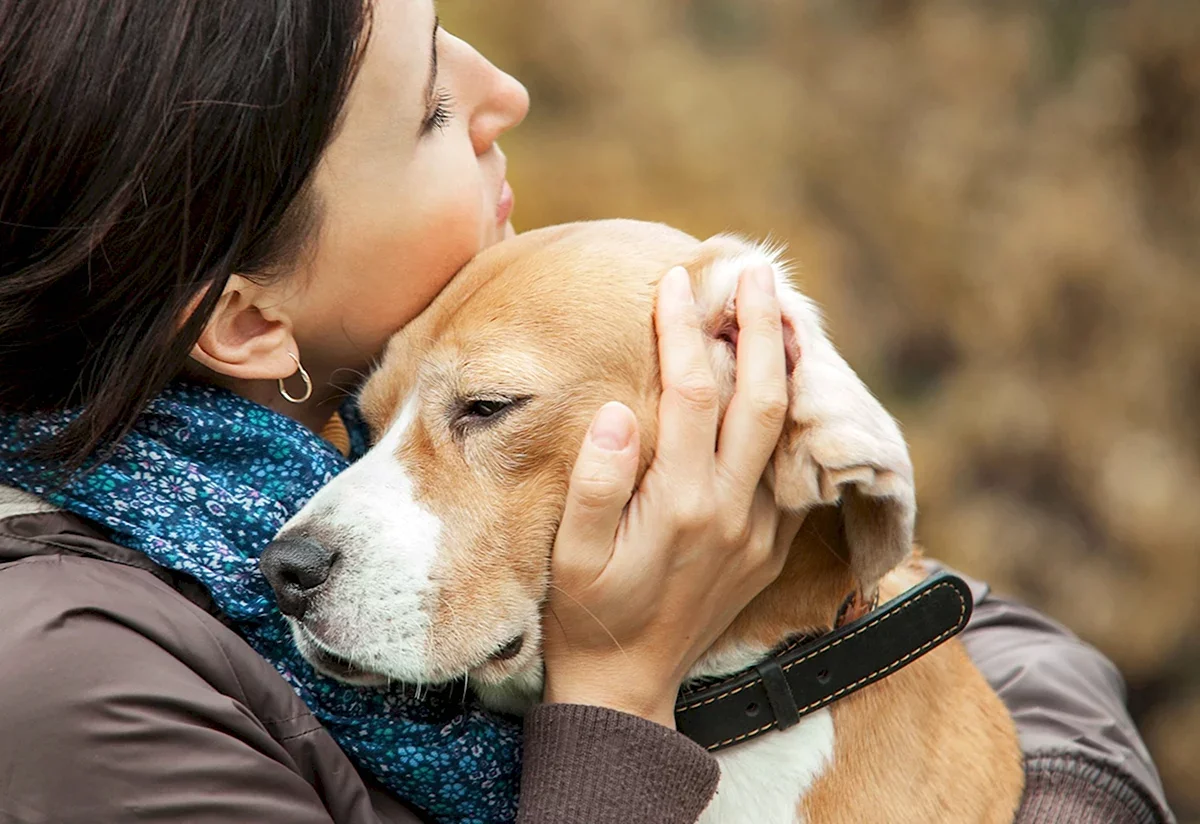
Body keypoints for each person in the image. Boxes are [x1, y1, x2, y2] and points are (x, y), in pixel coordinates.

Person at [0, 1, 1174, 822]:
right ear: (249, 323)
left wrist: (1060, 797)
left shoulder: (369, 407)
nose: (504, 90)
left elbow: (947, 619)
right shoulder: (76, 686)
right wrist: (618, 688)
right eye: (424, 110)